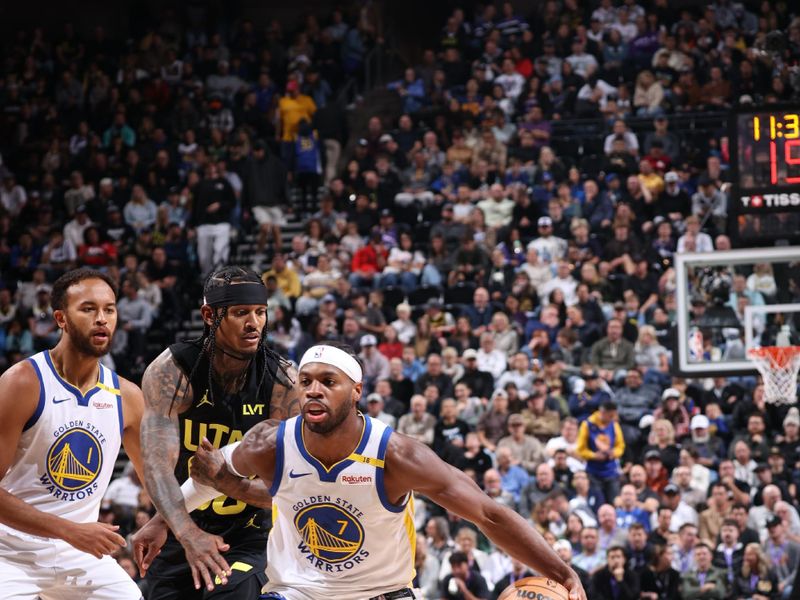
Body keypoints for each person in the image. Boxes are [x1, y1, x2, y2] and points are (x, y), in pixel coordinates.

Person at [138, 341, 587, 600]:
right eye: (306, 381)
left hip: (381, 595)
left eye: (327, 382)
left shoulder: (398, 455)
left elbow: (487, 515)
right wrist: (163, 523)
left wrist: (563, 573)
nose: (313, 390)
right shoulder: (270, 442)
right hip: (298, 592)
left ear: (356, 391)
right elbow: (209, 475)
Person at [132, 266, 301, 598]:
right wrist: (178, 528)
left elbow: (289, 491)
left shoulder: (283, 383)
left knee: (229, 594)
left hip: (249, 536)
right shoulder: (173, 370)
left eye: (260, 312)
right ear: (209, 315)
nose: (254, 323)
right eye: (240, 313)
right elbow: (156, 464)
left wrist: (226, 482)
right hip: (182, 530)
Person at [0, 268, 146, 599]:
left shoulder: (128, 397)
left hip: (80, 553)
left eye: (109, 309)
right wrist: (68, 530)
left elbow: (158, 482)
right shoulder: (22, 383)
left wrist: (161, 523)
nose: (102, 319)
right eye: (88, 309)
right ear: (61, 319)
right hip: (8, 552)